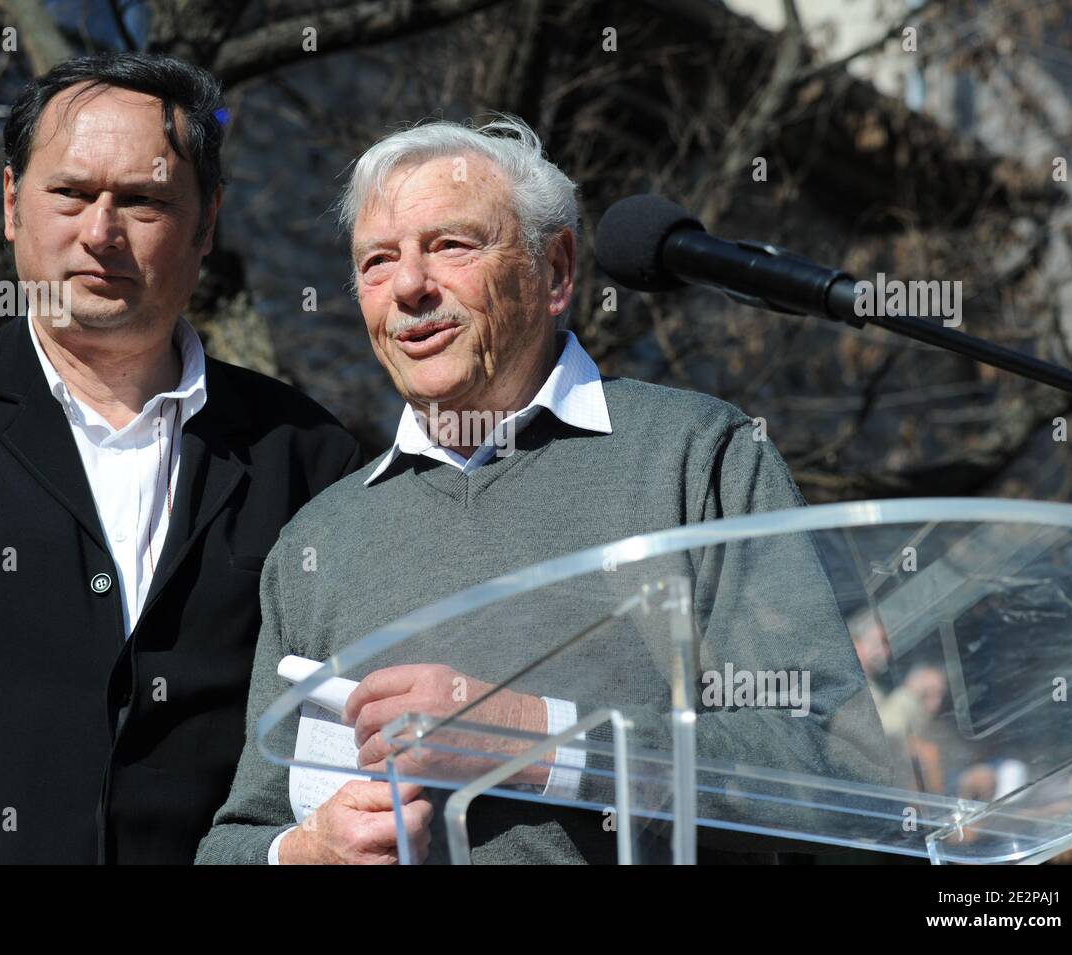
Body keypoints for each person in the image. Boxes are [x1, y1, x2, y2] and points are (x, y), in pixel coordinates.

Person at [196, 115, 888, 865]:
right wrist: (305, 851)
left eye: (451, 245)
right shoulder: (316, 543)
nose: (408, 287)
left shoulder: (698, 457)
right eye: (376, 261)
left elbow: (840, 769)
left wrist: (538, 738)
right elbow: (235, 839)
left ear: (555, 271)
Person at [0, 53, 363, 864]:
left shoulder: (310, 454)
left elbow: (322, 756)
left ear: (207, 222)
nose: (100, 232)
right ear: (11, 203)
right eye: (70, 193)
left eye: (142, 201)